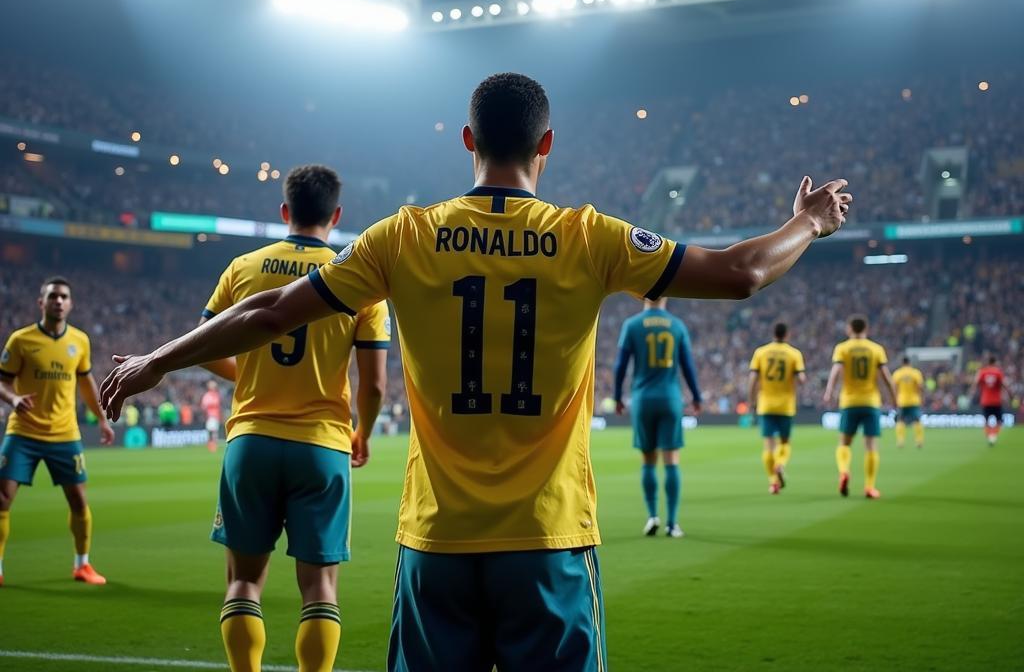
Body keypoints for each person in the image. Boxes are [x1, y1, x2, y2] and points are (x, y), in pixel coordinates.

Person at [100, 72, 851, 672]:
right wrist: (808, 222)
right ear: (546, 143)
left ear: (467, 139)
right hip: (548, 541)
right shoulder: (587, 236)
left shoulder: (404, 237)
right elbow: (742, 272)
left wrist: (155, 362)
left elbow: (266, 314)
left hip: (437, 545)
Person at [197, 164, 390, 672]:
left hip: (252, 440)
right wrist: (363, 432)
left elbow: (205, 347)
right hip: (323, 445)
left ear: (285, 211)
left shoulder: (244, 266)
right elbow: (373, 384)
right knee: (320, 589)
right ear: (337, 215)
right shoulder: (358, 278)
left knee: (242, 583)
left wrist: (253, 377)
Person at [0, 276, 114, 587]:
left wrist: (101, 419)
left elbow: (87, 383)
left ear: (71, 303)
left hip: (65, 434)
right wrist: (12, 398)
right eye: (53, 297)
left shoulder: (80, 341)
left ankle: (82, 565)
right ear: (42, 302)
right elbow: (2, 380)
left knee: (78, 501)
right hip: (22, 432)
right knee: (2, 499)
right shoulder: (20, 340)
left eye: (64, 297)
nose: (59, 301)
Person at [613, 297, 701, 537]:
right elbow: (688, 366)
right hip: (670, 398)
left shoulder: (631, 325)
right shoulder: (677, 325)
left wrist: (617, 396)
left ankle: (652, 516)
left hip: (642, 399)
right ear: (666, 297)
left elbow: (620, 365)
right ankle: (672, 524)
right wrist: (697, 397)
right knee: (671, 460)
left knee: (648, 460)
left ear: (643, 296)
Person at [823, 315, 897, 500]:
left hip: (849, 402)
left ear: (849, 329)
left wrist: (829, 391)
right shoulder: (876, 349)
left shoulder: (842, 348)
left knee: (844, 443)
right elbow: (886, 376)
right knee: (871, 446)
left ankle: (844, 472)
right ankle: (870, 487)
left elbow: (835, 371)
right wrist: (894, 397)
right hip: (871, 402)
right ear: (866, 328)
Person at [747, 322, 806, 494]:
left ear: (773, 333)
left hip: (766, 404)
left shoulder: (761, 352)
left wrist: (751, 400)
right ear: (787, 334)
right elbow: (801, 379)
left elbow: (752, 379)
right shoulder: (794, 353)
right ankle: (780, 464)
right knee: (785, 442)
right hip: (786, 405)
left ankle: (772, 482)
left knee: (768, 445)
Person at [974, 356, 1010, 446]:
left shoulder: (983, 372)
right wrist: (1010, 394)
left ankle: (989, 436)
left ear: (988, 362)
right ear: (995, 362)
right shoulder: (998, 372)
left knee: (986, 421)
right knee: (999, 421)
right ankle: (993, 436)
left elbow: (976, 383)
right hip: (996, 401)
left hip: (985, 400)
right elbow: (1004, 384)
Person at [892, 356, 926, 449]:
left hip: (902, 401)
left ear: (902, 363)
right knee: (917, 421)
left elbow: (894, 388)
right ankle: (919, 441)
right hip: (914, 401)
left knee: (900, 421)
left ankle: (900, 441)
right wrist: (921, 397)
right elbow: (920, 386)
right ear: (909, 363)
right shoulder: (915, 373)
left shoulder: (897, 373)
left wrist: (894, 399)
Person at [201, 379, 223, 453]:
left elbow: (219, 406)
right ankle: (211, 445)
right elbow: (204, 406)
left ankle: (214, 445)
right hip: (210, 416)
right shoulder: (207, 395)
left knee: (214, 431)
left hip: (216, 416)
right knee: (211, 431)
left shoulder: (217, 395)